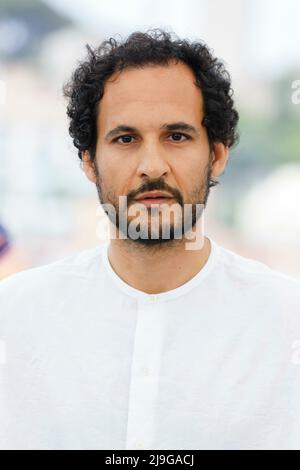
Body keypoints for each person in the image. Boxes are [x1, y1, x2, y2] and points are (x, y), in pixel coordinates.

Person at [0, 29, 299, 450]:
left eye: (177, 137)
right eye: (126, 139)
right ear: (89, 161)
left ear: (216, 155)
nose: (152, 166)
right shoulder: (12, 319)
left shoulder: (289, 325)